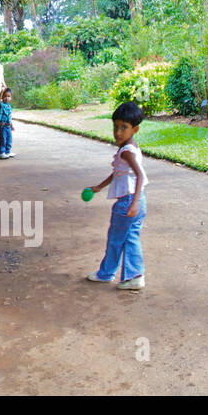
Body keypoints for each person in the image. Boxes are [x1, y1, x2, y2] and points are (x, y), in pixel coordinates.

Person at [85, 101, 149, 290]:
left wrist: (134, 204)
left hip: (129, 201)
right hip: (137, 200)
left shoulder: (127, 152)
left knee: (116, 238)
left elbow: (140, 175)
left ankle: (107, 274)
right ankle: (134, 276)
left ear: (135, 129)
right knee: (130, 237)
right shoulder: (131, 148)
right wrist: (99, 187)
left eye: (124, 128)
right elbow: (119, 173)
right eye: (115, 127)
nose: (118, 132)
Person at [0, 87, 14, 159]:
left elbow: (9, 117)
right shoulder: (1, 105)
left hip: (8, 126)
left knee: (9, 140)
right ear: (2, 97)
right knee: (3, 140)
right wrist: (1, 92)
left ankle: (7, 152)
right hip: (2, 126)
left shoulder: (9, 106)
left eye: (8, 96)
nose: (7, 98)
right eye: (5, 96)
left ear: (11, 98)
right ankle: (1, 153)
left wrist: (11, 125)